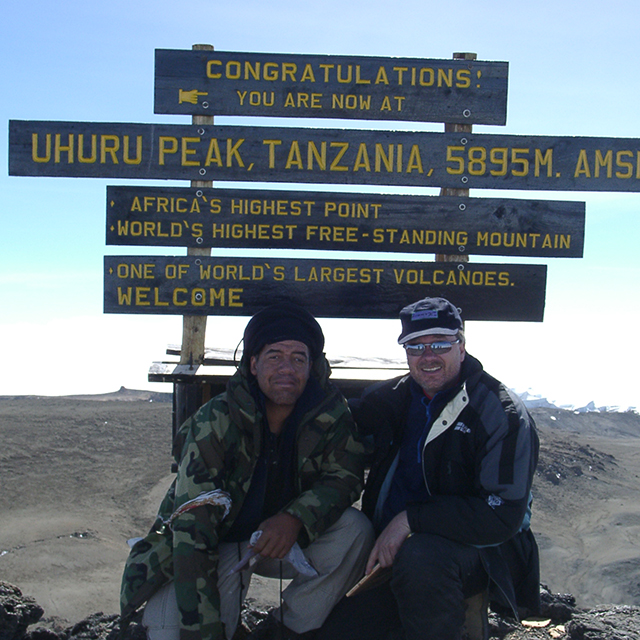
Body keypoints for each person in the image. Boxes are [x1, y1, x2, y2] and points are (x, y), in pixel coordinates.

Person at [120, 302, 373, 640]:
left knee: (354, 531)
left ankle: (287, 630)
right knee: (172, 634)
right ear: (252, 364)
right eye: (274, 356)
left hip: (278, 542)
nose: (287, 368)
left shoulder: (329, 414)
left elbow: (345, 476)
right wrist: (205, 633)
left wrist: (294, 518)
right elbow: (193, 533)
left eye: (299, 358)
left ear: (312, 367)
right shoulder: (216, 421)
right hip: (211, 550)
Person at [319, 296, 540, 640]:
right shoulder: (392, 399)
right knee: (340, 632)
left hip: (481, 551)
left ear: (461, 347)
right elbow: (333, 419)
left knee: (422, 557)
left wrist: (409, 519)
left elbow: (501, 517)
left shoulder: (499, 413)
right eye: (415, 346)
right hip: (394, 554)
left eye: (440, 343)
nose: (428, 356)